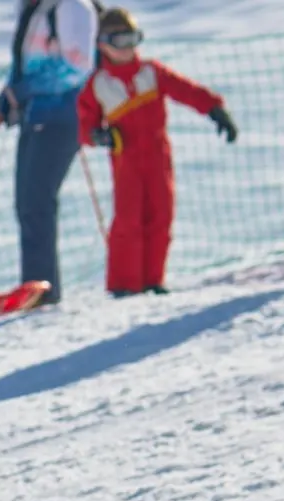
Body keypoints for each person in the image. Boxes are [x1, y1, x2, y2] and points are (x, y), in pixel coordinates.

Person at [77, 8, 237, 298]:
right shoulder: (99, 84)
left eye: (132, 40)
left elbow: (185, 90)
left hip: (157, 155)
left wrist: (214, 109)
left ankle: (153, 279)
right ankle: (125, 284)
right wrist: (97, 136)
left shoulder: (151, 73)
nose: (127, 49)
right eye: (119, 41)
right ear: (102, 45)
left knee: (161, 214)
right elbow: (85, 122)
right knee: (129, 219)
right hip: (126, 160)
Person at [0, 0, 100, 304]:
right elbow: (24, 63)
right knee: (26, 202)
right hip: (34, 116)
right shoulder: (33, 9)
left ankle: (42, 293)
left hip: (62, 115)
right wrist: (5, 101)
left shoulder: (72, 7)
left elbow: (77, 68)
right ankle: (35, 288)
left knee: (37, 202)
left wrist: (19, 93)